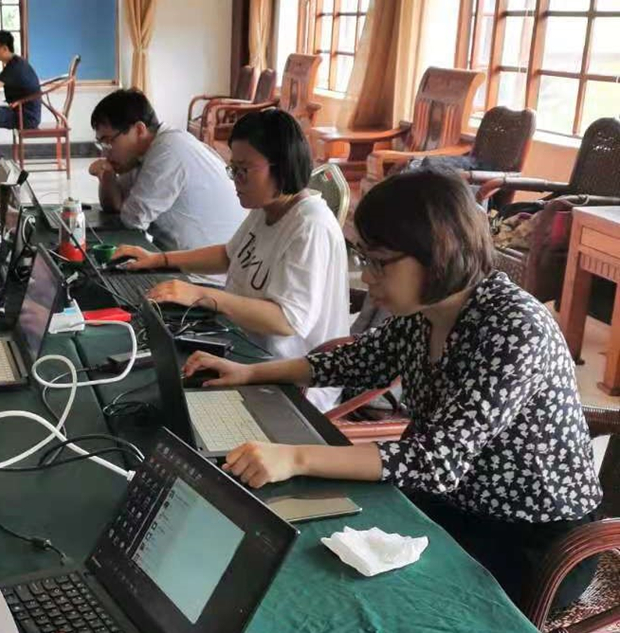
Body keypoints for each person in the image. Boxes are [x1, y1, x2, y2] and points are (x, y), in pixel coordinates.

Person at [182, 169, 604, 608]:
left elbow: (436, 461)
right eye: (365, 259)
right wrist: (250, 373)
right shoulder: (426, 311)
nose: (368, 278)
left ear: (437, 252)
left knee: (376, 600)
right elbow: (355, 360)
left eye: (379, 262)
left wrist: (294, 457)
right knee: (310, 554)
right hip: (448, 503)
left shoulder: (515, 328)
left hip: (531, 538)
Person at [112, 108, 348, 409]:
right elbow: (228, 254)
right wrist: (159, 259)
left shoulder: (310, 225)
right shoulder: (269, 206)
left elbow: (286, 321)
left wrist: (201, 295)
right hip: (245, 349)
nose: (236, 180)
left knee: (161, 401)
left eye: (244, 170)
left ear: (282, 166)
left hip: (292, 382)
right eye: (232, 169)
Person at [89, 89, 245, 258]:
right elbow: (115, 206)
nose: (105, 152)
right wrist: (107, 174)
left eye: (109, 142)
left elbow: (132, 220)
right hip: (179, 259)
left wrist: (109, 174)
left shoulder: (168, 150)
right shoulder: (140, 154)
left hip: (209, 268)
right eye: (101, 144)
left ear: (139, 130)